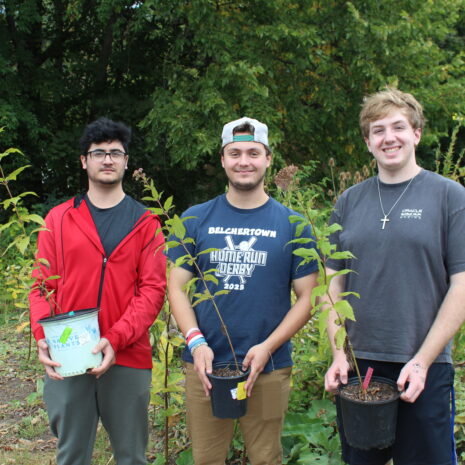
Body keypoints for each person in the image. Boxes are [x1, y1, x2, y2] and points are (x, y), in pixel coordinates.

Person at [324, 88, 465, 465]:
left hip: (423, 366)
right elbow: (331, 283)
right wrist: (338, 353)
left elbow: (462, 286)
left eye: (398, 127)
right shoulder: (349, 201)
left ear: (416, 133)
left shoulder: (450, 197)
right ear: (368, 142)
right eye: (377, 130)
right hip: (359, 368)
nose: (389, 137)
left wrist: (422, 361)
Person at [167, 116, 318, 465]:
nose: (244, 161)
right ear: (223, 159)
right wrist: (196, 342)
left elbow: (308, 298)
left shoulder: (293, 224)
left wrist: (267, 347)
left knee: (266, 458)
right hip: (205, 366)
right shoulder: (194, 218)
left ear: (267, 159)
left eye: (253, 152)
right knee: (206, 459)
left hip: (269, 366)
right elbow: (175, 287)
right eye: (235, 153)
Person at [29, 117, 167, 465]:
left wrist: (116, 338)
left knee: (132, 456)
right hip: (68, 357)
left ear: (125, 161)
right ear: (84, 161)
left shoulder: (146, 223)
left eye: (115, 153)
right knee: (72, 455)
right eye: (99, 152)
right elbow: (42, 286)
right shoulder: (59, 219)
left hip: (128, 355)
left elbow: (152, 291)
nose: (108, 159)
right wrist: (43, 335)